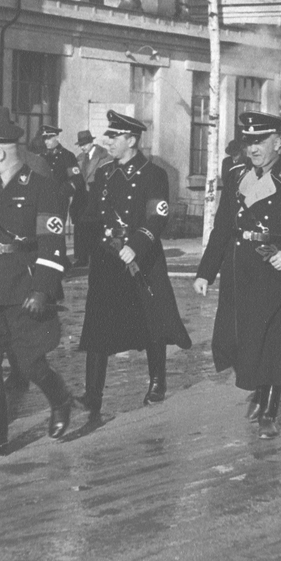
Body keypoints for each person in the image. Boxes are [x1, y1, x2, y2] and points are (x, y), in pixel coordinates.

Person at [194, 112, 281, 439]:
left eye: (260, 141)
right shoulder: (237, 174)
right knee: (235, 340)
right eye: (248, 141)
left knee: (274, 344)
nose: (253, 148)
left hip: (277, 269)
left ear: (278, 142)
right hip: (240, 269)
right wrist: (205, 272)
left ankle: (269, 409)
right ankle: (256, 386)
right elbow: (223, 227)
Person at [0, 105, 74, 458]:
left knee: (29, 361)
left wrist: (42, 289)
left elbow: (53, 245)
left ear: (0, 151)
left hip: (24, 284)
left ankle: (61, 398)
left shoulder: (43, 189)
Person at [76, 110, 192, 420]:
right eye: (109, 136)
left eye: (114, 136)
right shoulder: (104, 173)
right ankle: (93, 393)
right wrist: (85, 245)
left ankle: (157, 381)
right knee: (97, 324)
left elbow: (157, 217)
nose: (109, 142)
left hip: (140, 259)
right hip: (107, 259)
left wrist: (136, 246)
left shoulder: (153, 174)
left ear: (131, 139)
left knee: (151, 322)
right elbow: (92, 214)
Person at [72, 130, 110, 268]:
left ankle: (97, 257)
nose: (83, 147)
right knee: (81, 227)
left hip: (96, 196)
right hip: (82, 197)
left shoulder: (104, 157)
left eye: (85, 144)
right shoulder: (80, 158)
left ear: (91, 142)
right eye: (81, 145)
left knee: (95, 227)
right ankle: (82, 258)